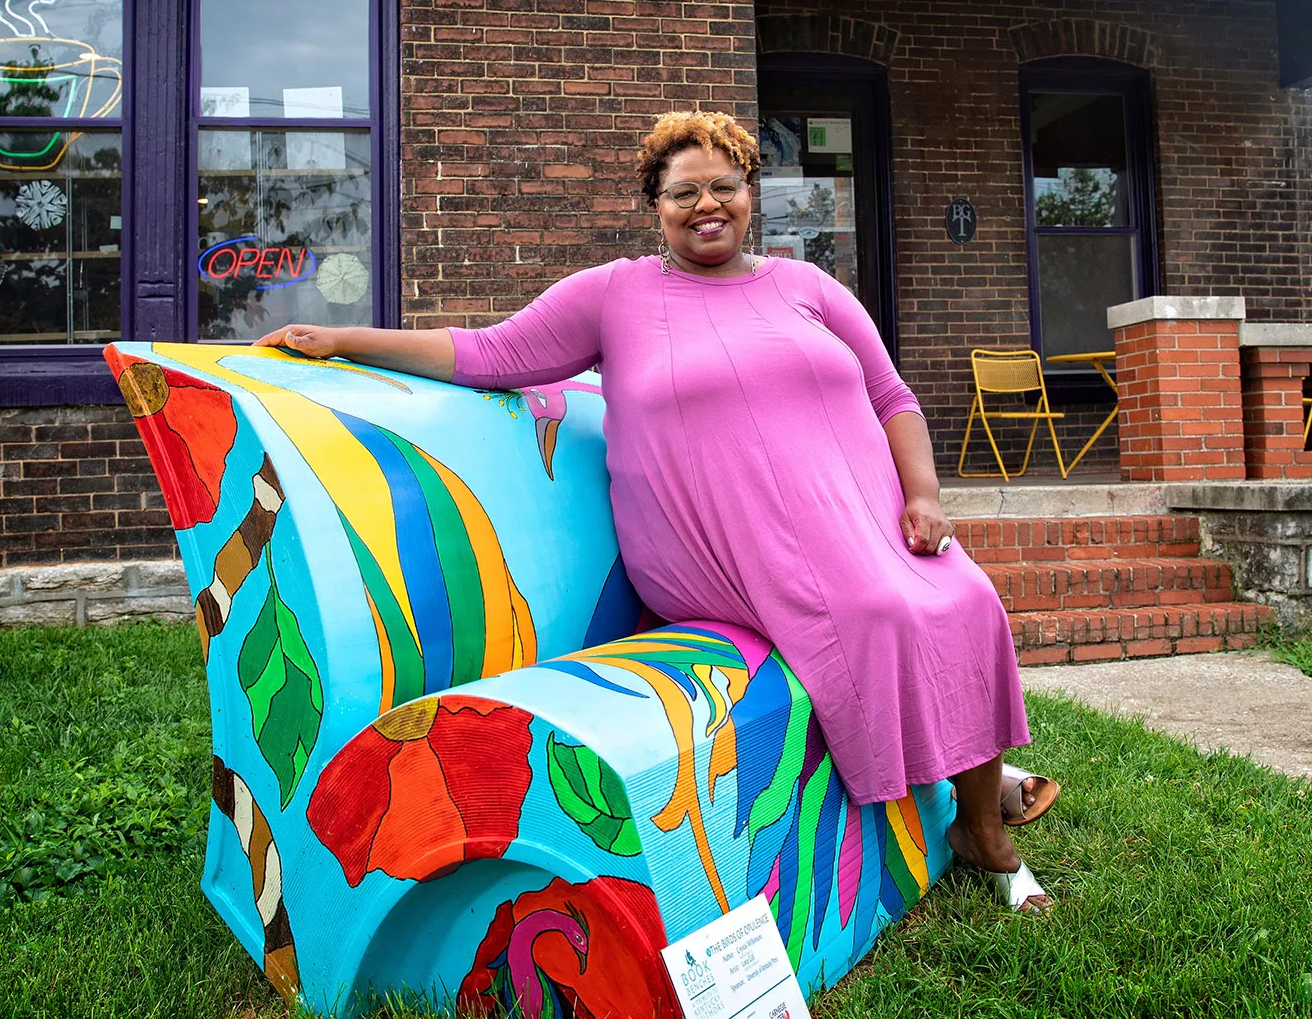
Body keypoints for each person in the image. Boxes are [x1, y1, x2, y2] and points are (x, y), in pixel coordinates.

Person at [256, 110, 1058, 910]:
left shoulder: (806, 286)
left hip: (859, 520)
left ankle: (969, 811)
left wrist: (923, 495)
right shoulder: (617, 295)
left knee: (966, 597)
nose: (706, 205)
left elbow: (892, 396)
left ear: (751, 194)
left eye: (724, 186)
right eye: (683, 193)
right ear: (655, 206)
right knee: (880, 610)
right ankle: (983, 828)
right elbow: (491, 353)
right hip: (715, 545)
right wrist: (345, 339)